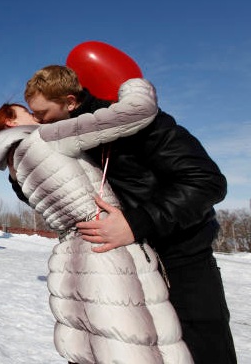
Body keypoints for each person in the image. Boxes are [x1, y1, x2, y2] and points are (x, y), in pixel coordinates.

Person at [14, 65, 235, 364]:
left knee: (196, 353)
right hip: (116, 271)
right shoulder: (64, 138)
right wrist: (19, 177)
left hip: (179, 267)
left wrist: (137, 222)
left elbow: (206, 181)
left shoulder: (140, 124)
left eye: (42, 113)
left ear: (69, 102)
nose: (38, 121)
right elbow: (65, 199)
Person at [0, 78, 193, 363]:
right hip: (107, 245)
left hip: (73, 255)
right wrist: (135, 87)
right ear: (10, 122)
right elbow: (136, 113)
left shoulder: (16, 166)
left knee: (91, 348)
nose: (36, 116)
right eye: (26, 112)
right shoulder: (46, 137)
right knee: (134, 345)